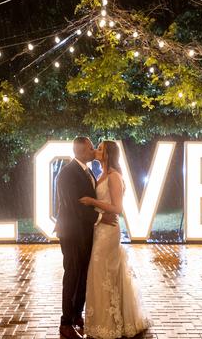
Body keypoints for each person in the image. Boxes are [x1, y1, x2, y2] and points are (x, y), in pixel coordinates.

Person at [79, 140, 152, 339]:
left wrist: (92, 201)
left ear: (109, 154)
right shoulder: (101, 174)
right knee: (102, 273)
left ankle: (108, 324)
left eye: (100, 148)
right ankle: (103, 320)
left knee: (100, 272)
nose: (96, 150)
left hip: (108, 231)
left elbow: (118, 208)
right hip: (100, 228)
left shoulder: (114, 176)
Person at [54, 136, 118, 339]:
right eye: (91, 148)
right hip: (72, 233)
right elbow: (74, 206)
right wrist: (101, 217)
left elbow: (90, 202)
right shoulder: (67, 173)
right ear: (82, 151)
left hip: (86, 232)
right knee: (72, 275)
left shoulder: (88, 170)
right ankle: (65, 323)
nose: (94, 151)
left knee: (83, 274)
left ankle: (76, 315)